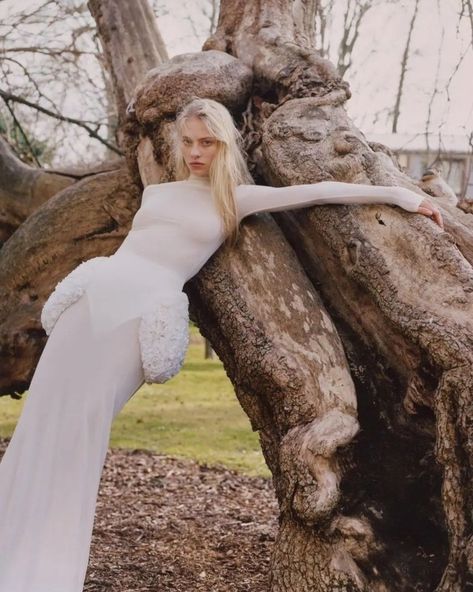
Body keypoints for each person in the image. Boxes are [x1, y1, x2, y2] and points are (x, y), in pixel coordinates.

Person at [0, 97, 443, 592]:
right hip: (90, 304)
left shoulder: (235, 197)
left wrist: (402, 197)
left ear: (224, 143)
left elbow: (318, 190)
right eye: (188, 142)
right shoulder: (157, 193)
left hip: (139, 320)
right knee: (40, 420)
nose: (195, 152)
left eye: (206, 142)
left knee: (84, 431)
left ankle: (46, 571)